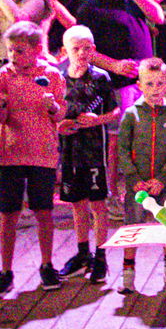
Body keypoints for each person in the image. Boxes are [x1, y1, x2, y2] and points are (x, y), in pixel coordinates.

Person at [0, 20, 65, 296]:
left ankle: (47, 265)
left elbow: (61, 114)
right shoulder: (4, 76)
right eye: (10, 51)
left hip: (41, 152)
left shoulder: (52, 76)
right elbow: (0, 118)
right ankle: (6, 271)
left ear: (37, 49)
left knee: (44, 211)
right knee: (8, 214)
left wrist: (52, 105)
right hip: (10, 153)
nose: (13, 57)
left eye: (19, 51)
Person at [76, 0, 159, 197]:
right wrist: (113, 65)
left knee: (144, 138)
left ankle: (142, 191)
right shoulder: (91, 4)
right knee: (117, 142)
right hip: (117, 83)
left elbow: (158, 17)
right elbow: (85, 50)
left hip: (145, 81)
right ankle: (111, 193)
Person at [56, 25, 120, 284]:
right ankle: (83, 252)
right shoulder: (58, 77)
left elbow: (115, 112)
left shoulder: (101, 78)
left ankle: (101, 256)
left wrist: (97, 120)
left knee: (98, 204)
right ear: (65, 51)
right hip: (70, 151)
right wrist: (59, 126)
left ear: (93, 49)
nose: (81, 53)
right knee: (77, 203)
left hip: (94, 149)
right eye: (75, 49)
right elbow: (52, 112)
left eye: (86, 48)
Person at [117, 57, 166, 295]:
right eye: (149, 84)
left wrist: (163, 179)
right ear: (139, 85)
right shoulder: (131, 115)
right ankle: (127, 276)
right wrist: (133, 178)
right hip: (137, 187)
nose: (155, 89)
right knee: (132, 227)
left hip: (164, 187)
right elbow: (123, 150)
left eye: (159, 84)